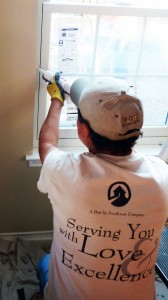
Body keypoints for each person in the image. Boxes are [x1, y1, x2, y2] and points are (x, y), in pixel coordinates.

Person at [37, 74, 168, 300]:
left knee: (44, 262)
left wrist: (56, 100)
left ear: (83, 132)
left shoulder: (65, 173)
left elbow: (47, 144)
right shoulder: (162, 176)